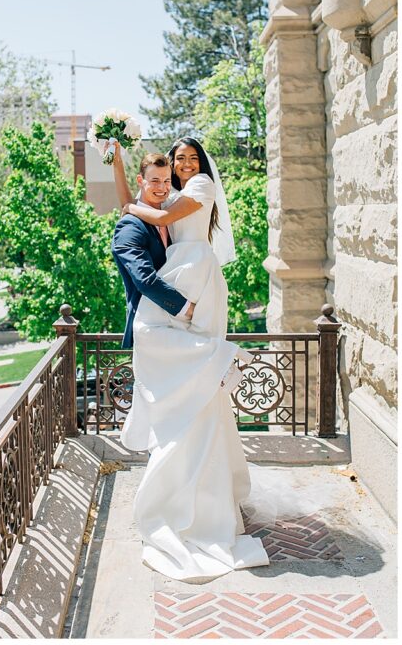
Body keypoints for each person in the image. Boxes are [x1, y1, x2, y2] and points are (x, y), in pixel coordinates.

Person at [110, 138, 269, 582]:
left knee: (173, 350)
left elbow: (153, 213)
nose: (184, 164)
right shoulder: (172, 191)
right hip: (179, 271)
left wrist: (129, 207)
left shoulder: (199, 187)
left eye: (190, 158)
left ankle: (218, 359)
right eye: (178, 159)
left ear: (200, 163)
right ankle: (211, 372)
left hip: (194, 270)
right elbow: (140, 197)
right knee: (183, 375)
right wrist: (118, 163)